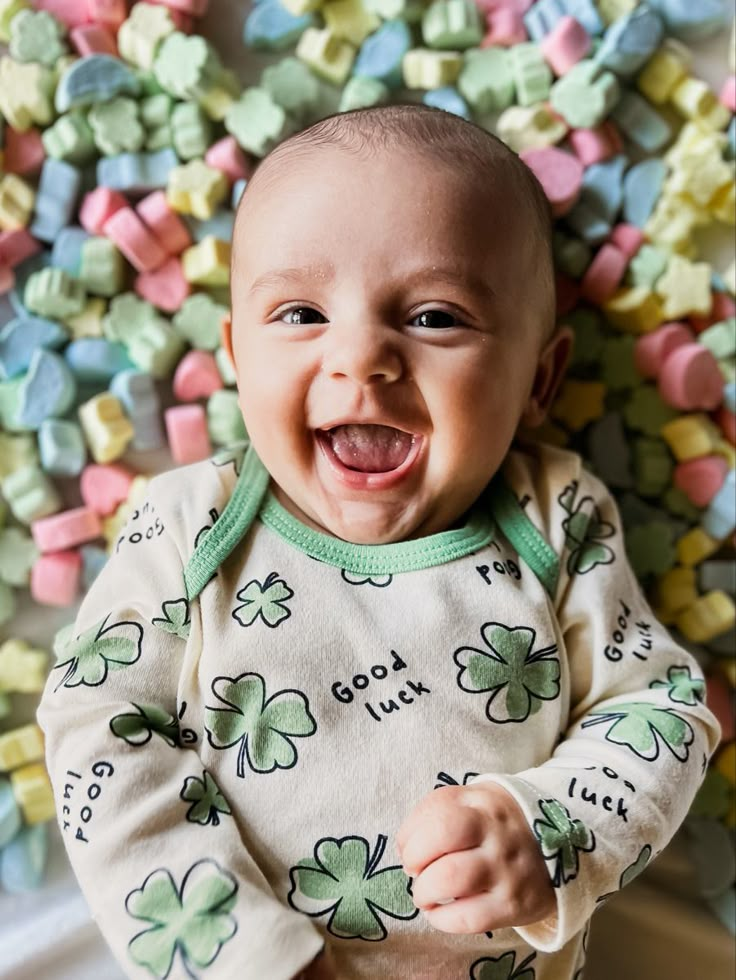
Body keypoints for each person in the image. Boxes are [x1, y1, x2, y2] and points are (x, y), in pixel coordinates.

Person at [38, 105, 719, 980]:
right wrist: (242, 954)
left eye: (435, 317)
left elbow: (661, 711)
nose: (361, 358)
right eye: (300, 313)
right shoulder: (190, 525)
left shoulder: (554, 516)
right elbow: (101, 735)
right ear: (237, 356)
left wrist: (550, 830)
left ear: (538, 379)